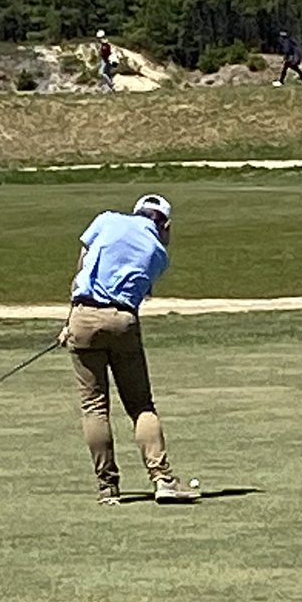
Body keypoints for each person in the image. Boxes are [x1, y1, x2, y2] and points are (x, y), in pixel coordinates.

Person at [59, 194, 198, 505]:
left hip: (82, 316)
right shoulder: (159, 254)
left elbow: (83, 265)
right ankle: (162, 479)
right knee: (140, 405)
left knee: (94, 407)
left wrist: (71, 320)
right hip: (123, 320)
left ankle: (108, 489)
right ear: (166, 226)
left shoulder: (106, 219)